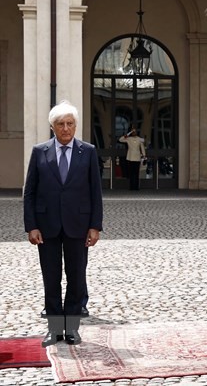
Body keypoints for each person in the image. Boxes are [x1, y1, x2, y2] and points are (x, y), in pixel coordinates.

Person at [23, 100, 103, 347]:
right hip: (46, 226)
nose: (66, 128)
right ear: (53, 127)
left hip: (78, 225)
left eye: (70, 124)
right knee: (51, 278)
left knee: (77, 277)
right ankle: (55, 329)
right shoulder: (40, 152)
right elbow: (30, 192)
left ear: (76, 126)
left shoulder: (87, 151)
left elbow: (95, 192)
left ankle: (72, 328)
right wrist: (31, 226)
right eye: (61, 124)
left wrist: (95, 226)